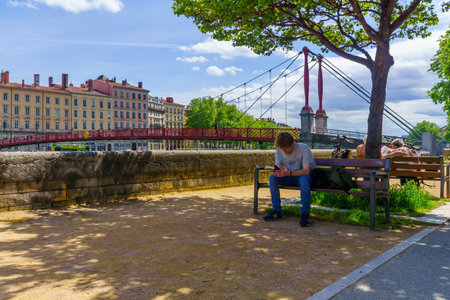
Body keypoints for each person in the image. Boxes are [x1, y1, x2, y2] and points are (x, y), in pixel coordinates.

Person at [264, 132, 317, 227]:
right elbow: (278, 165)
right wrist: (277, 171)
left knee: (304, 179)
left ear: (292, 143)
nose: (284, 151)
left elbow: (306, 171)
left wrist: (289, 172)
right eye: (282, 148)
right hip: (289, 176)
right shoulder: (279, 150)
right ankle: (277, 211)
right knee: (272, 178)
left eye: (286, 148)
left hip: (304, 176)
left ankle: (305, 214)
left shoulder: (303, 148)